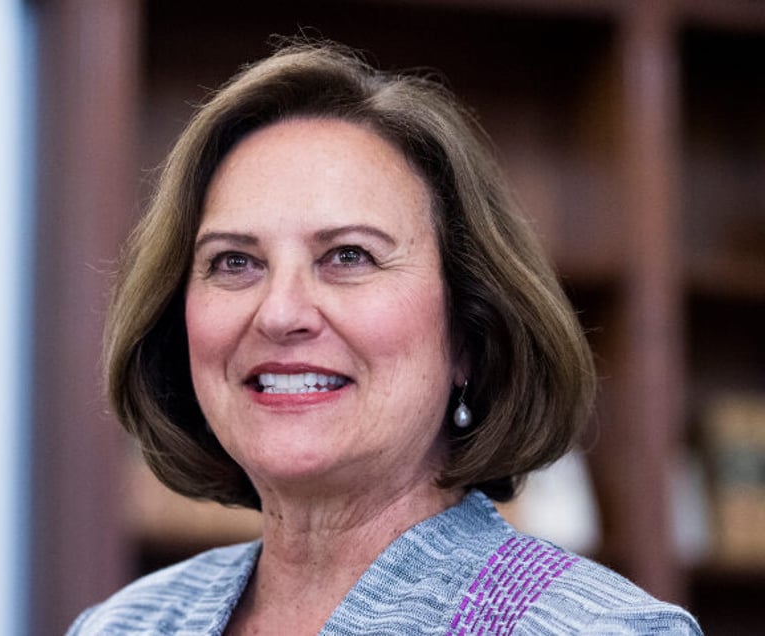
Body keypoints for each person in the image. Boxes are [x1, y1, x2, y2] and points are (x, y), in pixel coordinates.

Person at [68, 39, 702, 635]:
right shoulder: (126, 623)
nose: (280, 312)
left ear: (469, 334)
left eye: (348, 256)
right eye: (235, 262)